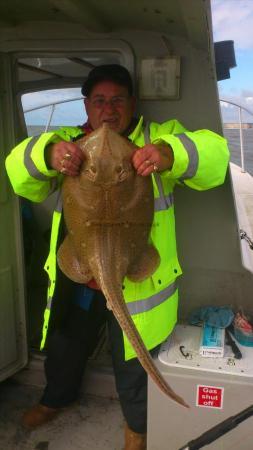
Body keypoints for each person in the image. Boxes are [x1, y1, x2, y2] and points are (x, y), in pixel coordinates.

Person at [5, 64, 229, 450]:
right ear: (87, 105)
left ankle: (136, 429)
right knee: (66, 342)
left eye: (117, 100)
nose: (108, 110)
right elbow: (16, 170)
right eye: (99, 101)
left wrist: (170, 153)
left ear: (132, 104)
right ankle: (56, 396)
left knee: (132, 364)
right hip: (82, 274)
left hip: (136, 281)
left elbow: (216, 155)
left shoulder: (156, 139)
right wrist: (46, 153)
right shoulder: (69, 143)